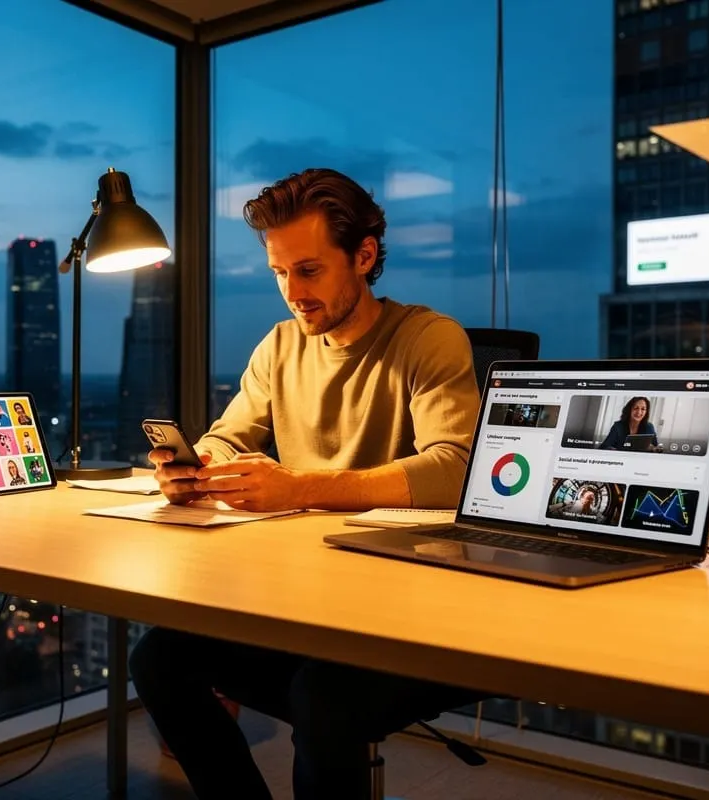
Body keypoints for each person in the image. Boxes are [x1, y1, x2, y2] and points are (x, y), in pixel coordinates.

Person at [130, 168, 486, 799]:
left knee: (323, 696)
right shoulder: (279, 347)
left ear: (365, 256)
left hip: (407, 619)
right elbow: (228, 436)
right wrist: (195, 468)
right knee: (156, 659)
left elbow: (457, 469)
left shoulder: (429, 339)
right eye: (279, 273)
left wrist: (301, 488)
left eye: (310, 270)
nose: (293, 292)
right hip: (304, 604)